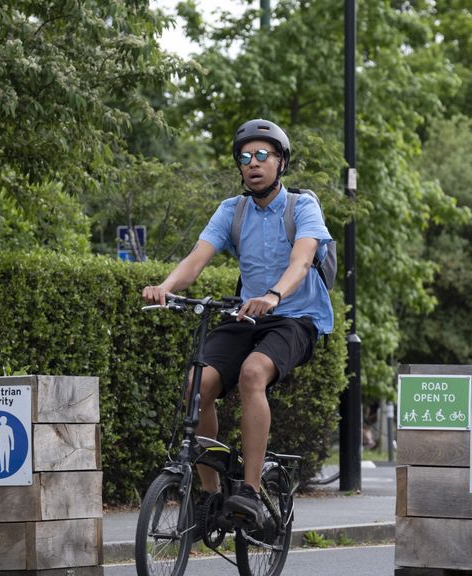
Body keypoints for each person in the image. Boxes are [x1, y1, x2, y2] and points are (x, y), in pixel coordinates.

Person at [142, 118, 333, 529]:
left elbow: (302, 261)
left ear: (281, 163)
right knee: (197, 385)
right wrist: (166, 286)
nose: (253, 163)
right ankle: (211, 496)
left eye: (263, 155)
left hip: (295, 318)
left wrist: (274, 295)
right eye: (245, 157)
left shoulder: (302, 207)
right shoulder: (233, 210)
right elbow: (198, 256)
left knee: (252, 373)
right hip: (246, 317)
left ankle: (250, 490)